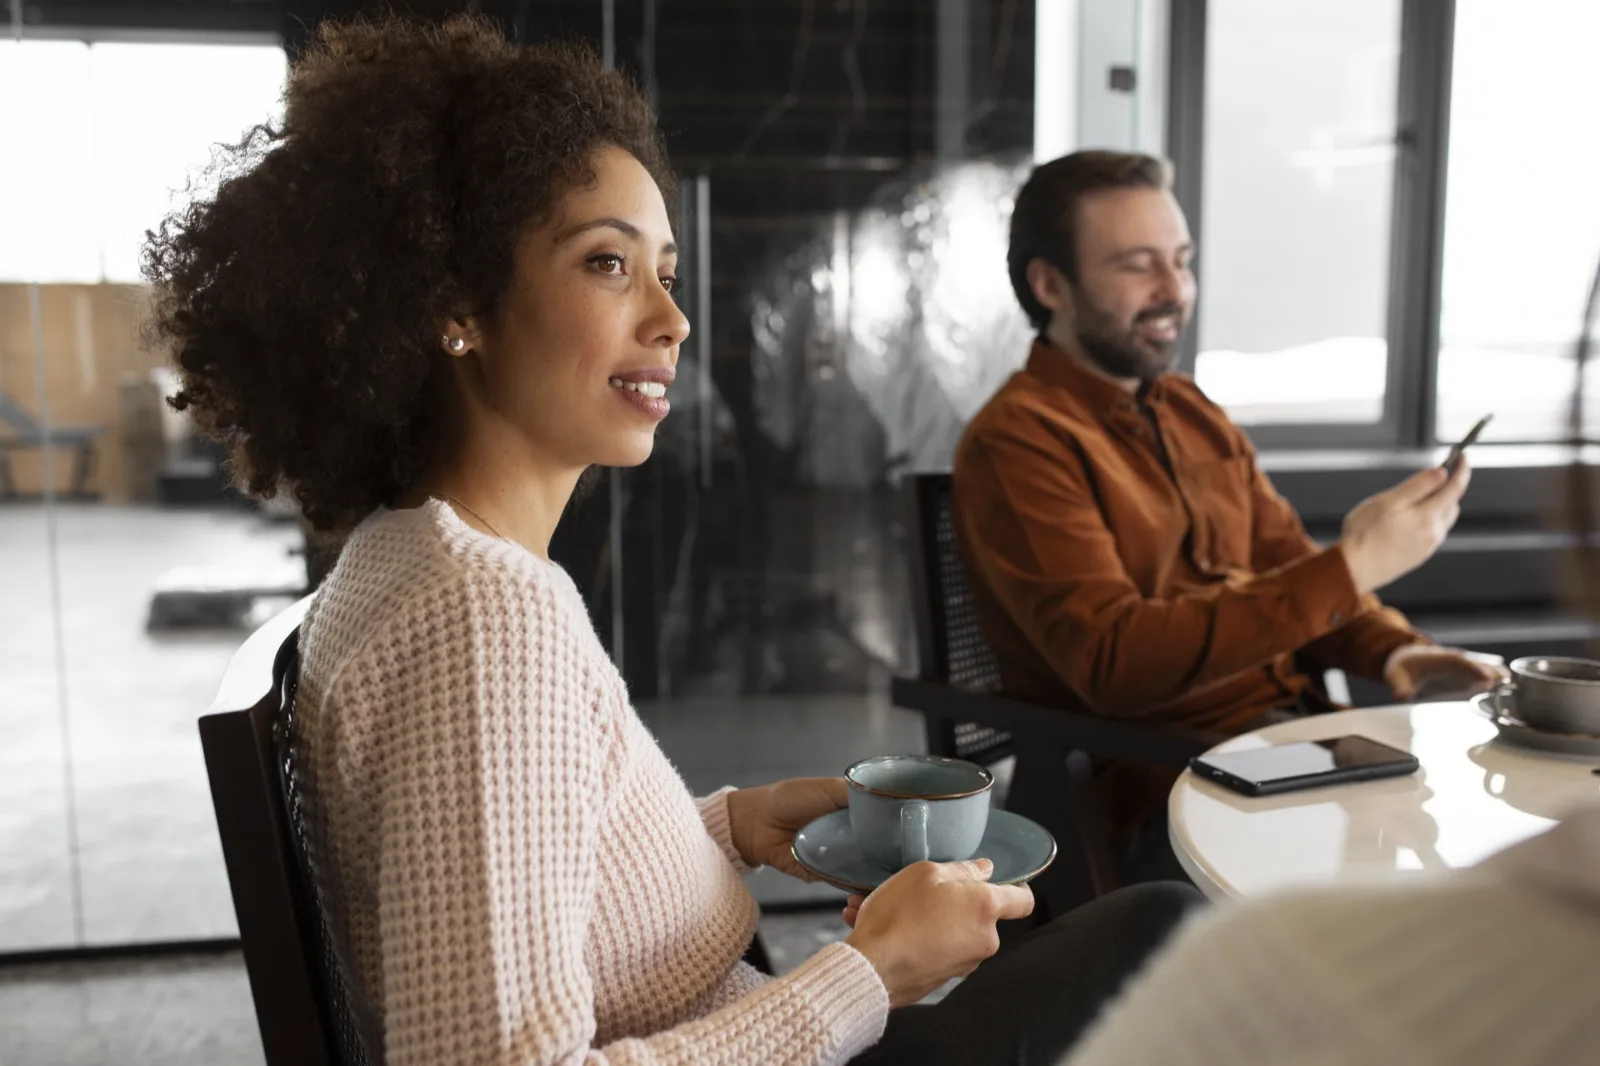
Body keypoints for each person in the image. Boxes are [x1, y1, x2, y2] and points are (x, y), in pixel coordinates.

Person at [144, 17, 1199, 1066]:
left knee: (1160, 935)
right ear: (455, 303)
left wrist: (732, 824)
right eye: (607, 262)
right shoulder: (479, 619)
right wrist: (871, 974)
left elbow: (525, 873)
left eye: (667, 270)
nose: (673, 320)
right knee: (1171, 938)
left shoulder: (411, 559)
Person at [951, 151, 1503, 873]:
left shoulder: (1192, 411)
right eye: (1138, 266)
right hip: (1166, 782)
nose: (1174, 290)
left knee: (1501, 854)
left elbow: (1289, 569)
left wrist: (1393, 651)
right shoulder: (1018, 441)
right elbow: (1113, 662)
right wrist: (1354, 566)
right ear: (1050, 284)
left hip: (1293, 748)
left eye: (1181, 261)